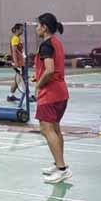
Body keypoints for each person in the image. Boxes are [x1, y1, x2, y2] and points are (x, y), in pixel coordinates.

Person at [34, 13, 71, 185]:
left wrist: (38, 85)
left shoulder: (46, 45)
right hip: (61, 93)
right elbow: (51, 69)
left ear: (44, 27)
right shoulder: (57, 42)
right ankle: (59, 165)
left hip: (50, 94)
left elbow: (49, 70)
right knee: (55, 129)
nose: (36, 28)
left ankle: (62, 169)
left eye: (38, 25)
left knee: (46, 130)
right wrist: (39, 76)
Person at [7, 23, 26, 102]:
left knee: (17, 79)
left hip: (21, 61)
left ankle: (10, 96)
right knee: (22, 79)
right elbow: (14, 51)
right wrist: (16, 63)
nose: (23, 31)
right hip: (18, 62)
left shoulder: (18, 38)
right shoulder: (15, 38)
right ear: (17, 29)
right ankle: (27, 96)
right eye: (21, 29)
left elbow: (19, 51)